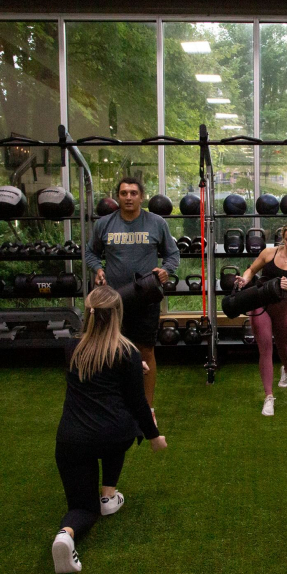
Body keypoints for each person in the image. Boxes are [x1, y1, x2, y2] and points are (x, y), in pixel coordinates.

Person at [52, 285, 167, 574]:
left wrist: (131, 368)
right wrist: (154, 436)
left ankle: (65, 534)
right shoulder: (126, 352)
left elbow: (98, 369)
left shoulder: (71, 348)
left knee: (81, 509)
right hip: (111, 436)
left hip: (71, 439)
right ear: (118, 315)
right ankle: (108, 494)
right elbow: (137, 402)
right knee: (123, 423)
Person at [86, 177, 179, 424]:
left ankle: (147, 409)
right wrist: (97, 269)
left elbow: (172, 254)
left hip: (145, 297)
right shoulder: (104, 224)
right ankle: (115, 404)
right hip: (113, 300)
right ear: (118, 196)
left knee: (145, 351)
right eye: (124, 193)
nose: (128, 197)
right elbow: (90, 252)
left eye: (133, 193)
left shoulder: (156, 223)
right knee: (110, 352)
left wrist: (166, 270)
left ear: (141, 196)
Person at [234, 222, 287, 416]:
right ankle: (269, 397)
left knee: (283, 346)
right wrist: (245, 279)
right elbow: (251, 270)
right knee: (265, 347)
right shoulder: (269, 253)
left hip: (282, 306)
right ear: (282, 239)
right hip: (260, 302)